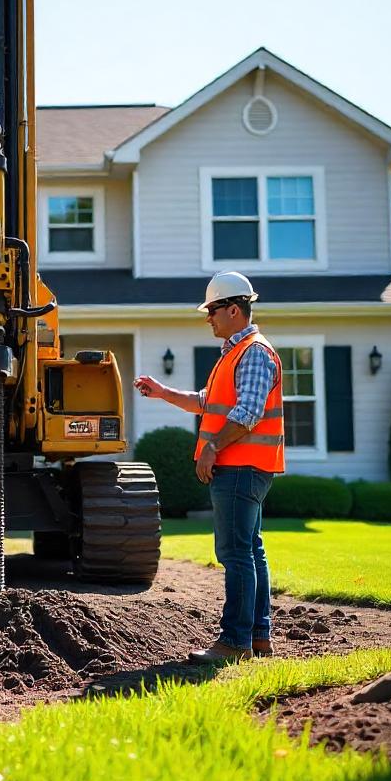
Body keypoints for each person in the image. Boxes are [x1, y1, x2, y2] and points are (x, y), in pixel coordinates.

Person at [134, 271, 284, 664]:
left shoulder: (252, 352)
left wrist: (211, 448)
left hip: (240, 467)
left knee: (236, 553)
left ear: (234, 309)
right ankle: (258, 636)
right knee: (251, 550)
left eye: (213, 310)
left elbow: (247, 413)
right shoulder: (235, 354)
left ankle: (234, 641)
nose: (208, 318)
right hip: (246, 467)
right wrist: (164, 392)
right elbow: (207, 401)